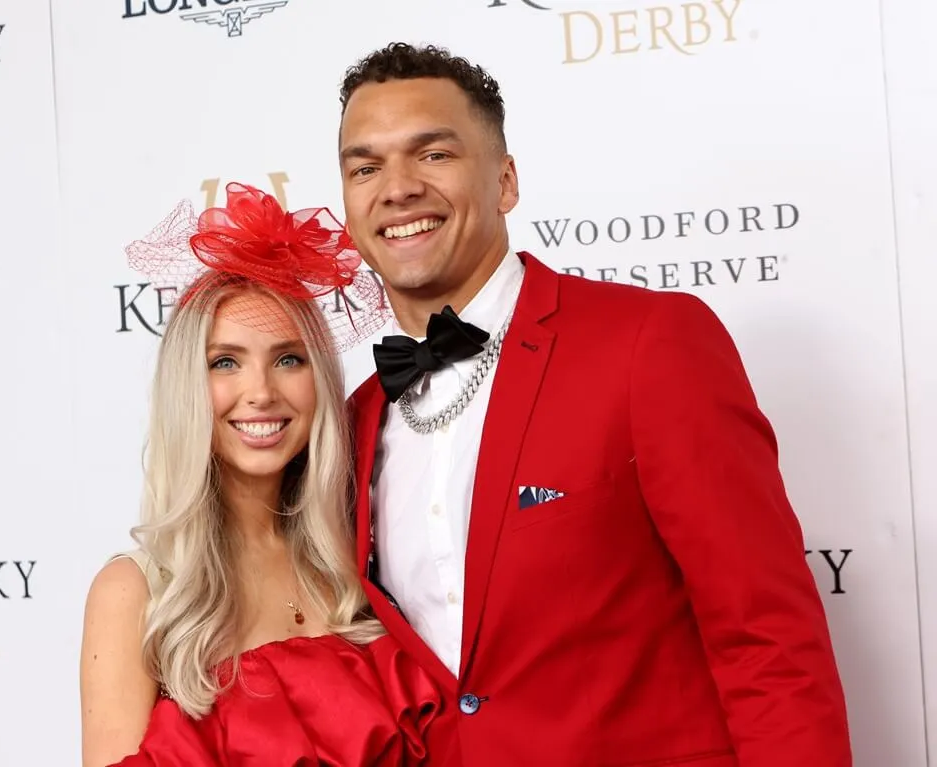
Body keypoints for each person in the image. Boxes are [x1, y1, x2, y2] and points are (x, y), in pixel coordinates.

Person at [337, 42, 853, 766]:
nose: (396, 188)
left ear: (506, 181)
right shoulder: (355, 420)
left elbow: (766, 637)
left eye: (433, 155)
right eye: (366, 167)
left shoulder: (650, 344)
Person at [78, 183, 447, 767]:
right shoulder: (135, 594)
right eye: (225, 362)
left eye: (288, 359)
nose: (261, 393)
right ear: (185, 387)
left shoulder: (360, 557)